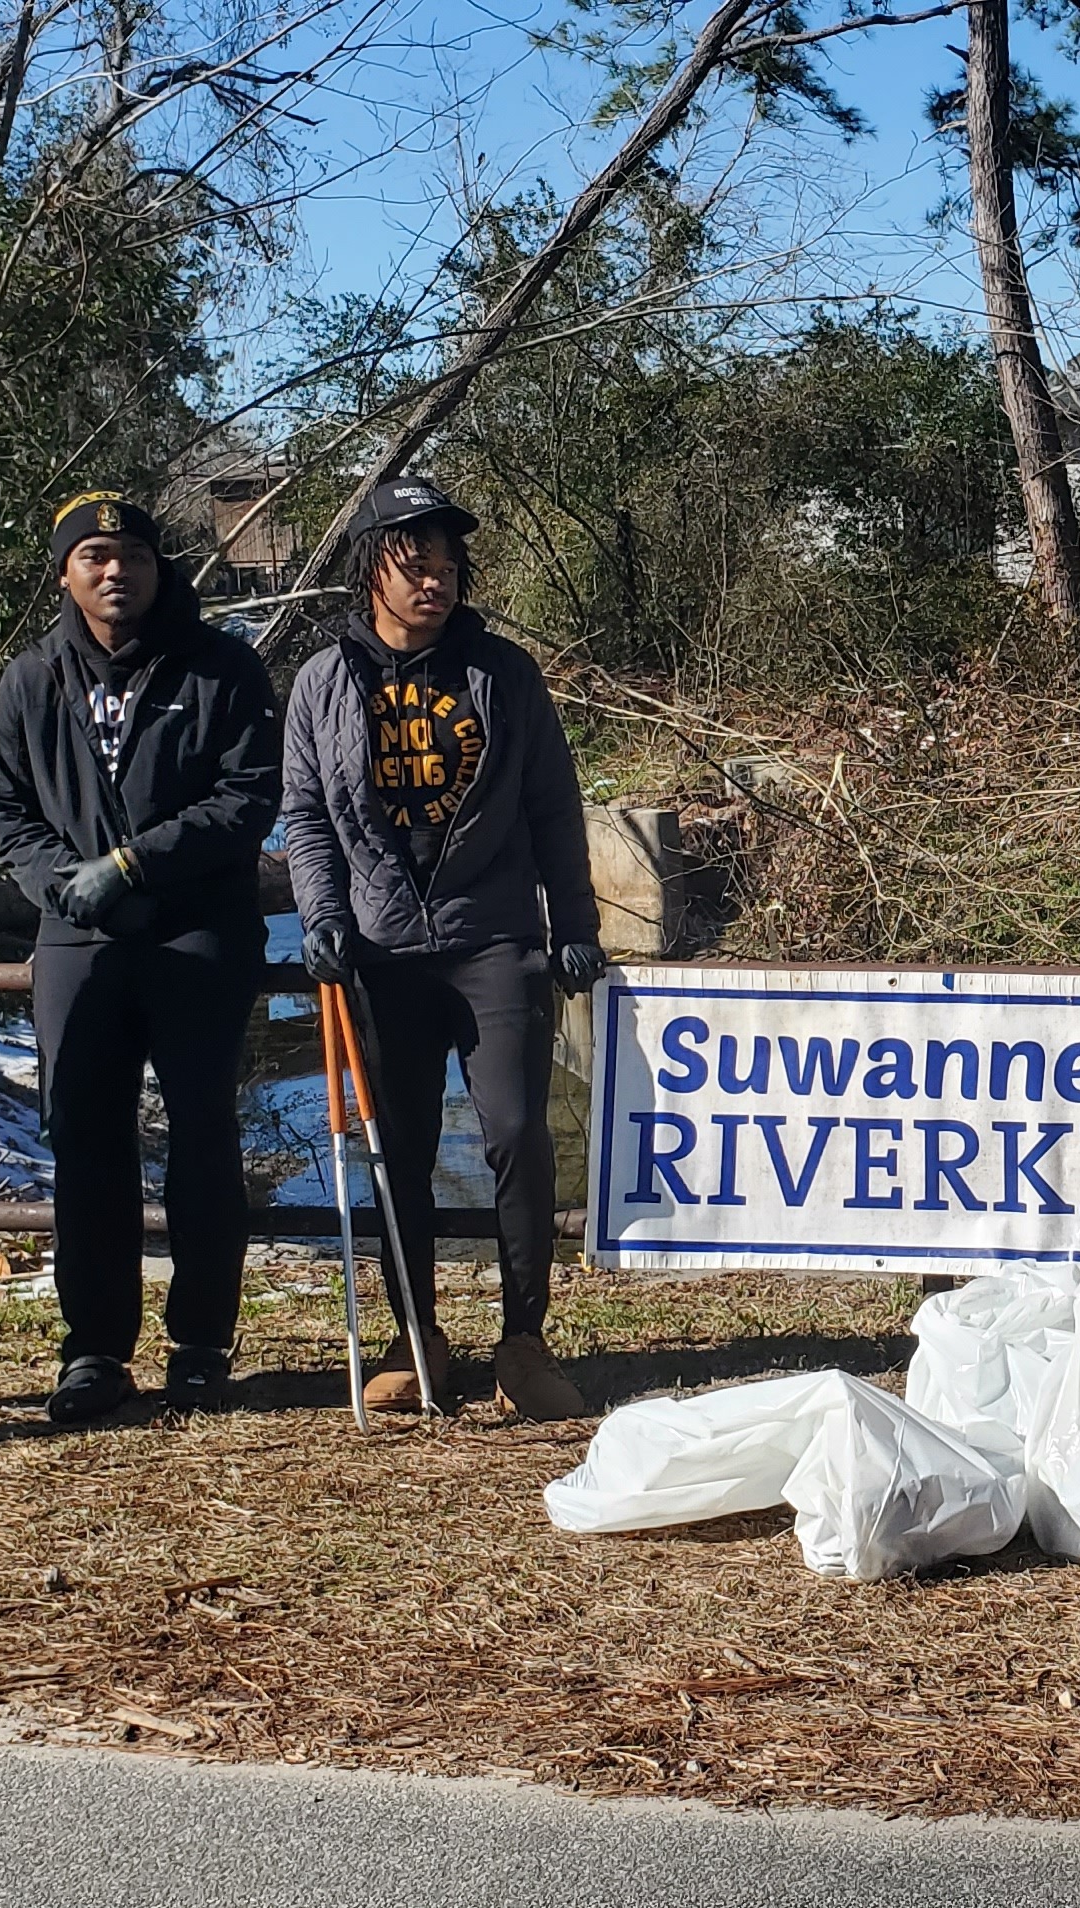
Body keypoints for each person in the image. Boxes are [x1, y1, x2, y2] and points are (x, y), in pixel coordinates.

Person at [282, 477, 605, 1419]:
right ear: (369, 571)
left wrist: (575, 927)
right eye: (414, 565)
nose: (434, 583)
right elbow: (305, 814)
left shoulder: (504, 675)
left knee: (515, 1135)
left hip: (493, 939)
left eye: (448, 567)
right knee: (402, 1150)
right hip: (381, 951)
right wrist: (321, 915)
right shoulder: (323, 681)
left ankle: (523, 1339)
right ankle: (413, 1333)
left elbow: (554, 804)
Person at [0, 492, 283, 1423]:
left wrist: (135, 863)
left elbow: (249, 796)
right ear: (68, 571)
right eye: (97, 556)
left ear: (161, 569)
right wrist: (56, 881)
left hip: (197, 935)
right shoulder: (32, 680)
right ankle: (96, 1350)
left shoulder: (222, 668)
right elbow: (5, 809)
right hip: (79, 943)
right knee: (86, 1143)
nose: (118, 573)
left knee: (202, 1139)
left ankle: (200, 1344)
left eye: (135, 557)